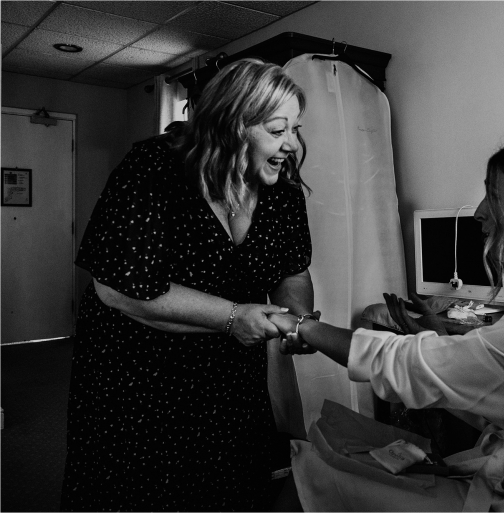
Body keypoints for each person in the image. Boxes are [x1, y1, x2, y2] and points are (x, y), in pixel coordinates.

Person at [269, 129, 504, 511]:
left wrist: (302, 326)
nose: (480, 212)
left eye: (494, 195)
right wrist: (439, 339)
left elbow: (406, 364)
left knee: (311, 472)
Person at [60, 58, 316, 512]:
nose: (292, 144)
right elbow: (116, 287)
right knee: (140, 490)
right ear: (230, 126)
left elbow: (292, 269)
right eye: (278, 130)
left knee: (226, 486)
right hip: (138, 373)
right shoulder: (153, 168)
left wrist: (295, 319)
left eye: (295, 129)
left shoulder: (283, 190)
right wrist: (232, 317)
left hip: (229, 376)